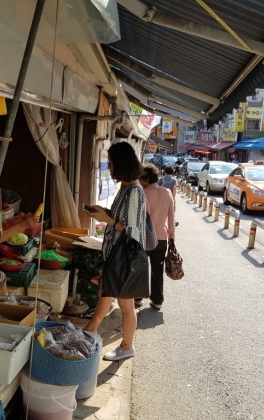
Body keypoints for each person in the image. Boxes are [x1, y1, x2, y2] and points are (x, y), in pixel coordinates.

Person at [84, 142, 146, 361]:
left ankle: (125, 346)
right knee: (109, 295)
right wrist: (106, 212)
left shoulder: (134, 192)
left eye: (110, 162)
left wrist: (107, 219)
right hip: (115, 258)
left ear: (121, 163)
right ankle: (89, 332)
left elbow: (132, 230)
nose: (108, 167)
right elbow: (122, 219)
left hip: (123, 259)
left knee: (124, 304)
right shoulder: (126, 188)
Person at [136, 164, 175, 310]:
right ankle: (157, 300)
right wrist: (172, 236)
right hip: (161, 239)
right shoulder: (167, 193)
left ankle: (138, 298)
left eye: (140, 178)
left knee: (140, 268)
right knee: (157, 271)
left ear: (146, 178)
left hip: (144, 239)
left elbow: (139, 219)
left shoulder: (142, 193)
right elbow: (171, 216)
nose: (139, 181)